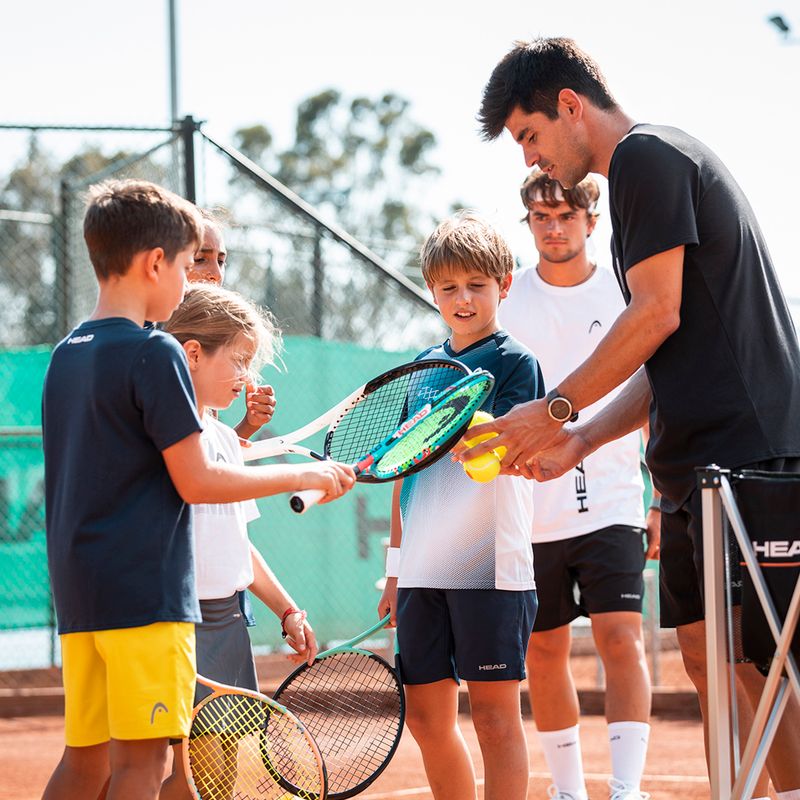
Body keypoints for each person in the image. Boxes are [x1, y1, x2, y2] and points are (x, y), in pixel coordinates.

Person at [467, 37, 800, 798]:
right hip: (696, 470)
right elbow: (666, 350)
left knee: (764, 660)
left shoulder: (649, 158)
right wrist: (580, 438)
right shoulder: (635, 189)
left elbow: (654, 315)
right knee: (708, 656)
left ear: (571, 106)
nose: (529, 160)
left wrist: (551, 413)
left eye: (530, 135)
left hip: (749, 457)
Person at [41, 179, 355, 800]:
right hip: (147, 599)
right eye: (188, 266)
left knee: (85, 762)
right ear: (155, 262)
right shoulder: (155, 352)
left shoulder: (65, 354)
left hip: (82, 598)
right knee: (136, 765)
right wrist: (305, 473)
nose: (191, 283)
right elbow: (200, 480)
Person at [378, 211, 543, 800]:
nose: (463, 298)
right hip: (422, 571)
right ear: (432, 291)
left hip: (490, 569)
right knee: (426, 720)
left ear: (504, 284)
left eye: (477, 285)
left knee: (495, 720)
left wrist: (477, 432)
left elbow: (522, 448)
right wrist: (396, 571)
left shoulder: (516, 363)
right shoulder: (422, 370)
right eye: (449, 287)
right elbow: (404, 473)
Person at [500, 168, 653, 800]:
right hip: (532, 507)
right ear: (529, 224)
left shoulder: (626, 294)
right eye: (541, 218)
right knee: (544, 650)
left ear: (592, 222)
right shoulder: (509, 300)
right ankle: (570, 790)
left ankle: (625, 788)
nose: (555, 228)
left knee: (622, 638)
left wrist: (661, 494)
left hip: (614, 499)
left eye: (567, 216)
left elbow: (654, 389)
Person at [158, 283, 318, 799]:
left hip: (229, 620)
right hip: (179, 625)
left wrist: (289, 610)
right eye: (240, 360)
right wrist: (295, 478)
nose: (248, 377)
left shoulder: (225, 436)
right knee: (153, 770)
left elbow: (236, 541)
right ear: (194, 353)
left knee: (212, 779)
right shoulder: (165, 434)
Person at [188, 209, 277, 441]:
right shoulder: (154, 346)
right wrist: (301, 478)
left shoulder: (206, 339)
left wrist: (249, 424)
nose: (215, 274)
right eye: (200, 259)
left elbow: (209, 456)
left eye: (221, 261)